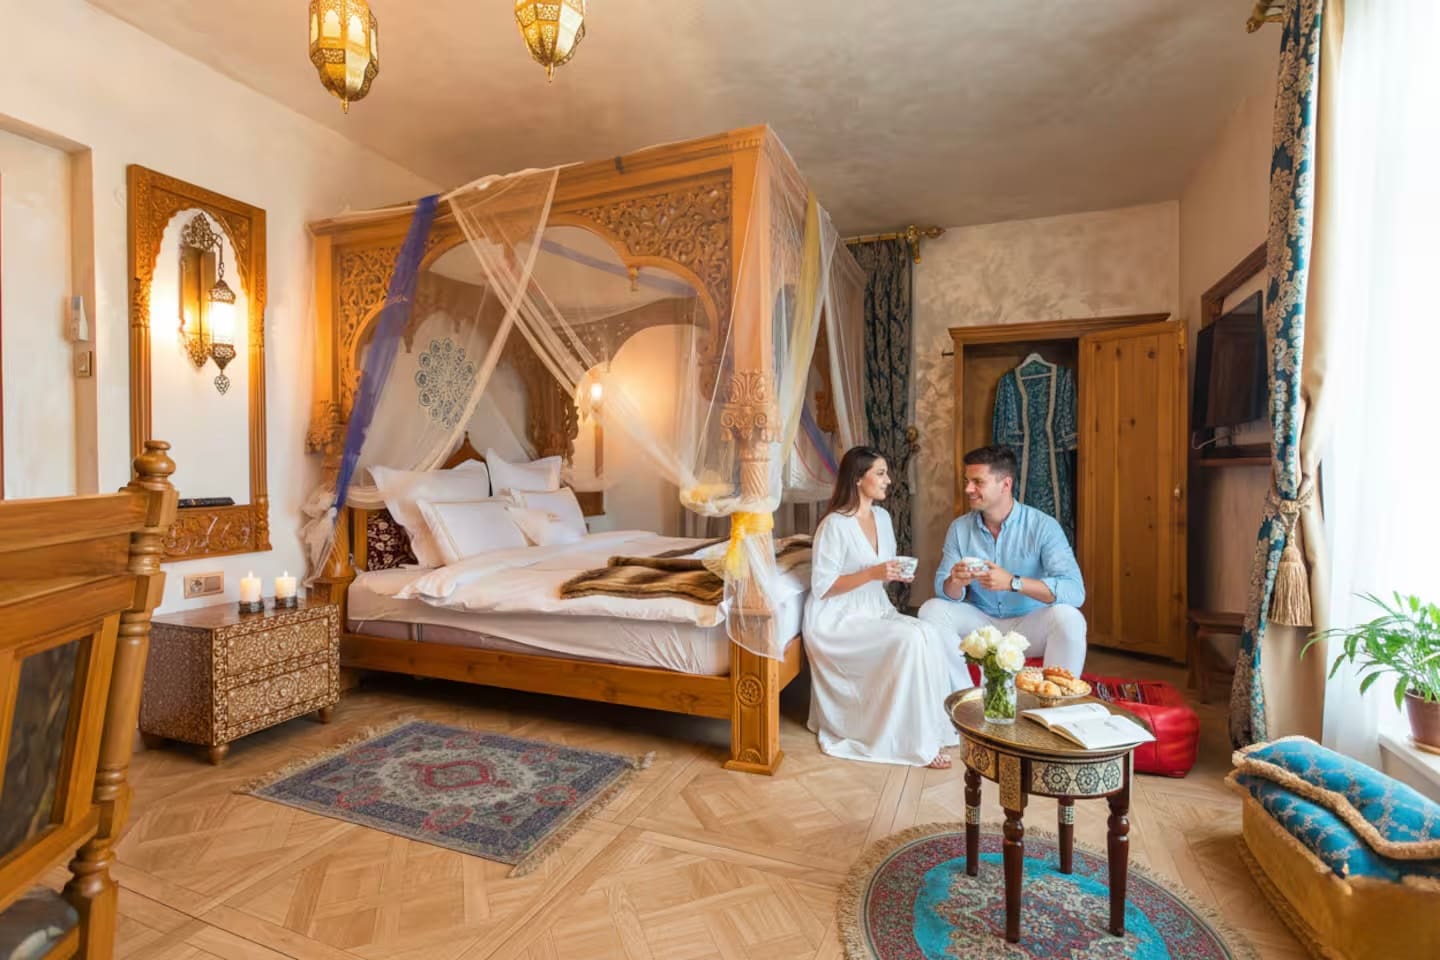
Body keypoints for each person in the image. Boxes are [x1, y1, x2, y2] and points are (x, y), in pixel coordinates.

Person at [804, 446, 971, 769]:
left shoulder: (882, 517)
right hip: (836, 618)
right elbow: (823, 587)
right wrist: (874, 573)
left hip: (873, 607)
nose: (888, 480)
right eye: (880, 473)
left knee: (929, 633)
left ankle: (934, 730)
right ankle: (913, 742)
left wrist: (893, 574)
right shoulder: (834, 525)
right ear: (857, 478)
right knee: (909, 640)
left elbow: (881, 570)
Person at [918, 445, 1087, 675]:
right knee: (931, 610)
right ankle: (963, 691)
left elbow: (1075, 591)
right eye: (967, 481)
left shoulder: (1043, 526)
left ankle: (1055, 693)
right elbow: (944, 591)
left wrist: (1013, 582)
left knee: (1070, 618)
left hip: (1030, 625)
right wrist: (955, 582)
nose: (968, 489)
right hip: (981, 626)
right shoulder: (959, 528)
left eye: (978, 482)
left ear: (1005, 484)